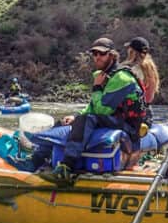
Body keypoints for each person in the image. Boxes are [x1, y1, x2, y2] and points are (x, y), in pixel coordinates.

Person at [42, 37, 146, 185]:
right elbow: (92, 106)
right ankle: (37, 160)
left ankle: (66, 167)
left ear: (111, 55)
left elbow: (101, 110)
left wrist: (96, 87)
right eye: (94, 53)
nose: (97, 57)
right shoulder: (104, 75)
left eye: (101, 54)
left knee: (87, 119)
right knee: (65, 122)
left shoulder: (121, 78)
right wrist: (75, 116)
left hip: (128, 126)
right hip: (113, 119)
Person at [123, 36, 160, 104]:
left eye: (129, 48)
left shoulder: (132, 69)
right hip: (147, 108)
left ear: (132, 51)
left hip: (134, 109)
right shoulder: (151, 68)